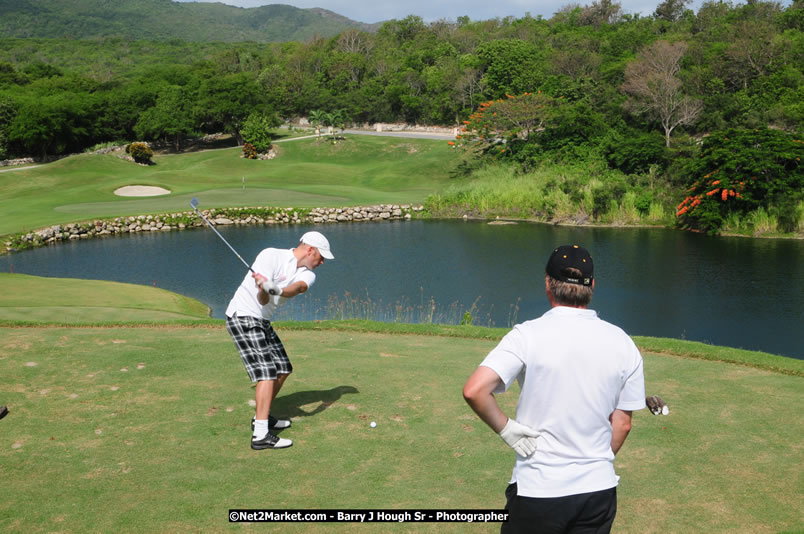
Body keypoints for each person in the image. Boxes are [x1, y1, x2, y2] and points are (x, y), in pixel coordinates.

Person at [463, 245, 645, 533]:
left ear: (548, 283)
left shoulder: (526, 335)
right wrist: (592, 463)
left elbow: (475, 390)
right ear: (592, 286)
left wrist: (506, 429)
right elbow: (622, 425)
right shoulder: (623, 342)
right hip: (598, 491)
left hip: (538, 489)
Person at [225, 231, 334, 450]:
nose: (322, 262)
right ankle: (260, 436)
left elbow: (297, 288)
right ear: (310, 250)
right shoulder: (271, 255)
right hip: (243, 315)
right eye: (321, 256)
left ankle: (262, 417)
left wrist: (276, 288)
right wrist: (264, 288)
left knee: (283, 369)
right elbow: (262, 299)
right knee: (267, 372)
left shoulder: (308, 274)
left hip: (262, 320)